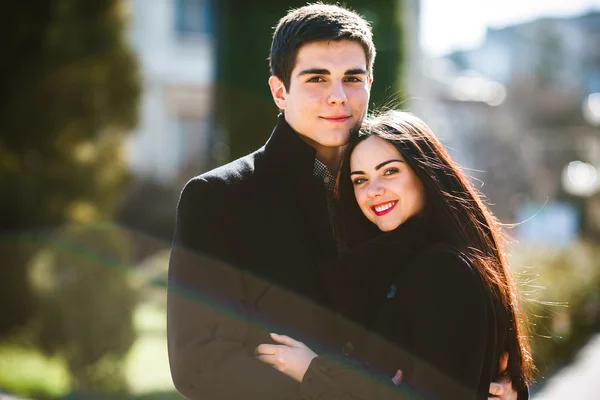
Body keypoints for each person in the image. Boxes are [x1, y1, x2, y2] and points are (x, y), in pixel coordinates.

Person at [167, 3, 520, 399]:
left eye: (352, 78)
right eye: (317, 78)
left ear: (370, 82)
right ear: (280, 91)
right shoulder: (218, 199)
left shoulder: (396, 194)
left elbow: (450, 310)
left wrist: (491, 380)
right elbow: (199, 365)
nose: (338, 96)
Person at [254, 110, 534, 399]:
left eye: (389, 171)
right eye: (360, 180)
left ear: (426, 174)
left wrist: (314, 371)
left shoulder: (442, 269)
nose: (373, 190)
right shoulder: (384, 265)